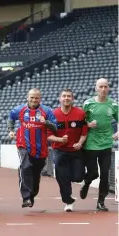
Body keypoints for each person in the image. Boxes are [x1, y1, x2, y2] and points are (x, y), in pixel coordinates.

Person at [7, 88, 57, 208]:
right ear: (27, 97)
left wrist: (46, 123)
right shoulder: (19, 109)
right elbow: (11, 118)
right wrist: (10, 130)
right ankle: (25, 198)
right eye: (32, 97)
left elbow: (55, 127)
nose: (34, 100)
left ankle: (32, 195)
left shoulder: (47, 111)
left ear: (40, 98)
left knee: (35, 174)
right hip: (23, 145)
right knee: (25, 167)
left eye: (36, 98)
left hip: (41, 149)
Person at [80, 78, 118, 211]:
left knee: (105, 173)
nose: (103, 89)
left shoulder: (113, 104)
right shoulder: (88, 103)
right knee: (93, 172)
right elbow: (80, 122)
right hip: (90, 144)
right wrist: (88, 125)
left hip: (106, 144)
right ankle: (86, 182)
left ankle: (101, 201)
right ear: (96, 88)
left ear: (109, 88)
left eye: (105, 87)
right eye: (100, 87)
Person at [48, 88, 88, 212]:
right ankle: (68, 201)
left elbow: (84, 132)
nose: (66, 98)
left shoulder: (80, 113)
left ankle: (82, 181)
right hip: (59, 151)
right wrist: (60, 140)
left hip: (76, 151)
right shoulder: (53, 115)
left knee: (78, 177)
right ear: (60, 98)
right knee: (62, 179)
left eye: (69, 96)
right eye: (64, 96)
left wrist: (80, 143)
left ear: (72, 99)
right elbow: (48, 135)